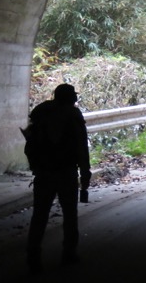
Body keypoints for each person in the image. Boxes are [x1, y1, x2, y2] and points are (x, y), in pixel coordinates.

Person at [24, 83, 91, 273]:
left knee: (39, 215)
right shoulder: (72, 115)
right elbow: (81, 148)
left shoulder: (42, 113)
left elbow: (30, 143)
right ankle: (69, 253)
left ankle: (33, 256)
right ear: (71, 98)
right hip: (66, 172)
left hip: (43, 173)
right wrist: (85, 173)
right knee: (70, 214)